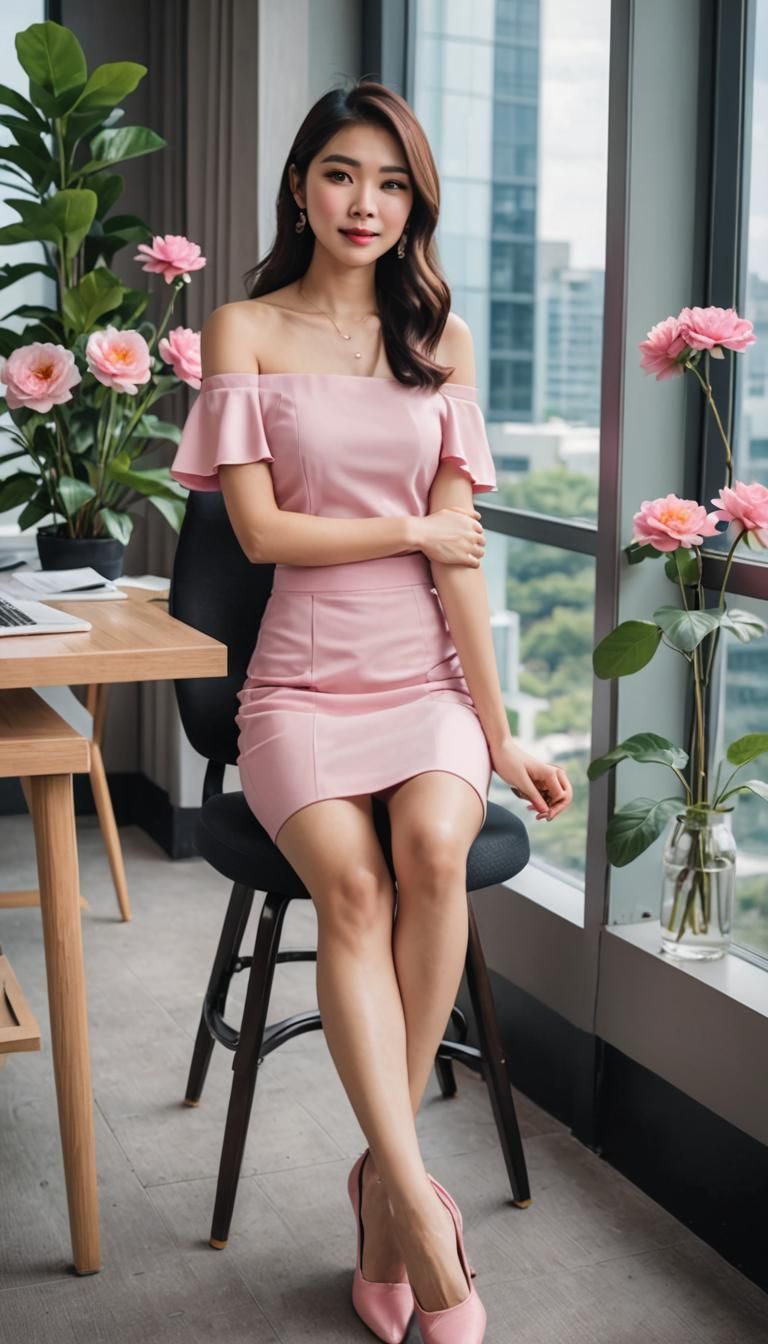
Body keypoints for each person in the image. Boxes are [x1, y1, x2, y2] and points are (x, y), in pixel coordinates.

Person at [171, 77, 573, 1344]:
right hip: (296, 684)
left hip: (428, 685)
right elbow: (259, 528)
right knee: (350, 888)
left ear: (416, 202)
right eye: (343, 174)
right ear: (300, 185)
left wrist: (499, 733)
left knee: (435, 849)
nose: (367, 203)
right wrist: (410, 522)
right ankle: (408, 1197)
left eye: (393, 182)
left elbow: (464, 566)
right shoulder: (244, 328)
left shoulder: (438, 339)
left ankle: (381, 1194)